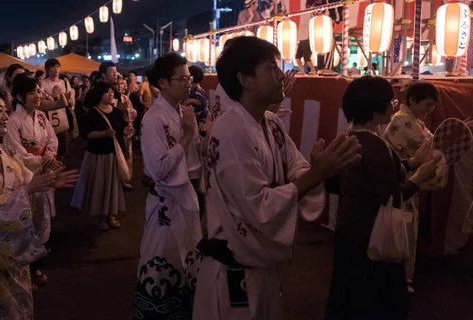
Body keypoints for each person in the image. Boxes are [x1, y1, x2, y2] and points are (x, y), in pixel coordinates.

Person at [191, 36, 351, 320]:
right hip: (233, 266)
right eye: (271, 68)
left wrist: (317, 171)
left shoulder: (272, 123)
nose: (281, 75)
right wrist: (316, 174)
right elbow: (258, 204)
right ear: (246, 79)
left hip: (261, 265)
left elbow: (296, 167)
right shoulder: (230, 131)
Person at [0, 90, 78, 320]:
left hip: (16, 247)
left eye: (5, 110)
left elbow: (26, 180)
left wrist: (48, 181)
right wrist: (28, 190)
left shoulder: (7, 151)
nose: (5, 116)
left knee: (21, 308)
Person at [325, 76, 439, 320]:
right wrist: (419, 176)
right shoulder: (375, 145)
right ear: (377, 107)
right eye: (391, 101)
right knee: (377, 303)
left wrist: (413, 162)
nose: (394, 105)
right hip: (372, 236)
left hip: (349, 231)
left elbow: (338, 183)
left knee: (348, 299)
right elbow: (392, 196)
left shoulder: (347, 137)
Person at [133, 53, 202, 319]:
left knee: (186, 259)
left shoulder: (181, 112)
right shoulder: (153, 119)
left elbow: (194, 157)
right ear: (163, 83)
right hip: (166, 203)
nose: (189, 83)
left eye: (190, 78)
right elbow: (160, 169)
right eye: (182, 78)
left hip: (185, 197)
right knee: (163, 263)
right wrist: (186, 135)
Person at [383, 81, 447, 293]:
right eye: (427, 105)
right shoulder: (403, 121)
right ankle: (397, 279)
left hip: (407, 182)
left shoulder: (412, 120)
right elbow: (431, 146)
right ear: (412, 101)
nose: (429, 111)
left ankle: (401, 278)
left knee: (406, 229)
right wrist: (454, 135)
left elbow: (431, 142)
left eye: (432, 107)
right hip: (400, 182)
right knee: (402, 230)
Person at [4, 74, 61, 288]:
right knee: (27, 219)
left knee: (42, 218)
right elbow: (16, 151)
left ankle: (37, 264)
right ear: (19, 96)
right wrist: (40, 160)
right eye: (32, 92)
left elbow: (52, 139)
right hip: (26, 173)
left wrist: (51, 154)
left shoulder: (41, 117)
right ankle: (26, 269)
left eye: (38, 91)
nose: (38, 96)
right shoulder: (13, 120)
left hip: (43, 168)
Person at [71, 81, 132, 230]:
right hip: (97, 155)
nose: (111, 94)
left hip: (112, 154)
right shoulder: (92, 113)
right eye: (107, 92)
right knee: (99, 185)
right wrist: (104, 133)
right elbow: (87, 134)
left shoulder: (116, 112)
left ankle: (111, 215)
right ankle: (101, 217)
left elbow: (122, 127)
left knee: (112, 185)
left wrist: (127, 130)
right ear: (99, 94)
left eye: (112, 91)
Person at [40, 58, 78, 158]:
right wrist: (60, 98)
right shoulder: (43, 83)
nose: (56, 69)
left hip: (63, 120)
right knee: (48, 149)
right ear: (47, 70)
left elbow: (71, 102)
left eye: (57, 66)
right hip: (48, 120)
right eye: (52, 67)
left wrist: (56, 97)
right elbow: (41, 101)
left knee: (62, 150)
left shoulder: (65, 83)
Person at [187, 65, 209, 133]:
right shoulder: (199, 89)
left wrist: (190, 100)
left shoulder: (196, 91)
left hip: (201, 118)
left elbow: (201, 102)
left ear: (191, 78)